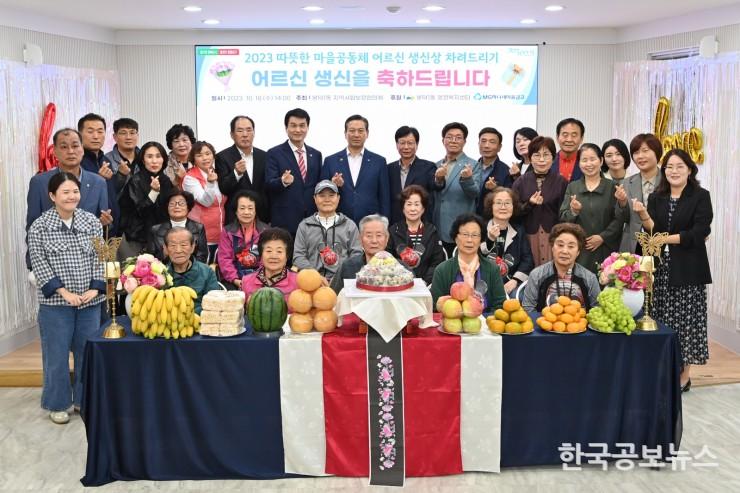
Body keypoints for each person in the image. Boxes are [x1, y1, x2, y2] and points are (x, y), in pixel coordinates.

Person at [27, 172, 106, 424]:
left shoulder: (91, 222)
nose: (72, 196)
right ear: (52, 196)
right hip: (56, 305)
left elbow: (101, 257)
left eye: (75, 191)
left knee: (86, 353)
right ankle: (58, 403)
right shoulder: (40, 226)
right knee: (56, 355)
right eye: (65, 192)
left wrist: (95, 289)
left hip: (89, 303)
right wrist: (64, 293)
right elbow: (39, 264)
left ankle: (84, 400)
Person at [632, 149, 713, 392]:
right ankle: (662, 370)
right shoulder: (657, 197)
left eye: (679, 166)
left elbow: (700, 232)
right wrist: (643, 214)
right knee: (661, 319)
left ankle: (684, 375)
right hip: (660, 268)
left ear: (690, 169)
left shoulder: (700, 196)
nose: (674, 171)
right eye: (669, 167)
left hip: (688, 269)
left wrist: (666, 239)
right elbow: (652, 230)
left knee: (685, 323)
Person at [26, 128, 110, 270]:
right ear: (55, 151)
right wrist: (34, 265)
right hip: (52, 263)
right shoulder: (39, 183)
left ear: (82, 149)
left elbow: (103, 227)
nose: (71, 151)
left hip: (89, 263)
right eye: (64, 147)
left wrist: (105, 222)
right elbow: (32, 226)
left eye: (75, 146)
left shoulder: (98, 182)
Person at [559, 144, 624, 273]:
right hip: (580, 250)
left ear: (601, 161)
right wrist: (574, 211)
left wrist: (602, 237)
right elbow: (563, 217)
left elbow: (620, 218)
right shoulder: (573, 187)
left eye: (593, 159)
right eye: (584, 160)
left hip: (607, 248)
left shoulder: (612, 186)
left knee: (606, 281)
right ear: (579, 164)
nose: (589, 164)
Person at [320, 114, 390, 223]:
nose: (356, 135)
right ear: (345, 133)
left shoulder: (379, 161)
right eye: (352, 131)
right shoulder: (330, 161)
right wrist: (332, 184)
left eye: (360, 131)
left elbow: (384, 198)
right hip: (338, 223)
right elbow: (321, 194)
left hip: (371, 224)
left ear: (367, 133)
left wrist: (385, 224)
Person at [430, 213, 506, 312]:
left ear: (481, 240)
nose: (469, 240)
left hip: (487, 320)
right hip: (452, 320)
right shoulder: (442, 270)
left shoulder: (492, 269)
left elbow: (500, 305)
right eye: (465, 234)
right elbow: (435, 307)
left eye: (475, 235)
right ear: (456, 238)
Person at [265, 108, 323, 236]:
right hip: (285, 221)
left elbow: (319, 185)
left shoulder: (316, 154)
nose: (298, 130)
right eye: (293, 125)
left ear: (307, 127)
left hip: (312, 221)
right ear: (286, 128)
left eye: (302, 125)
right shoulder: (274, 153)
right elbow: (268, 184)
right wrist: (283, 181)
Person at [512, 136, 568, 266]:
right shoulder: (520, 181)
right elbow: (513, 211)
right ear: (530, 158)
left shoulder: (561, 182)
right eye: (537, 155)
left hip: (554, 235)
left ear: (553, 158)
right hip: (528, 235)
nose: (541, 160)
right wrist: (529, 204)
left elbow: (564, 213)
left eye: (546, 155)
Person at [293, 180, 362, 283]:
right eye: (322, 196)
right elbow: (298, 257)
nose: (327, 200)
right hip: (312, 281)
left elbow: (357, 255)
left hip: (342, 282)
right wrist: (315, 276)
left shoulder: (349, 225)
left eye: (331, 195)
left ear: (338, 198)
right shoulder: (304, 226)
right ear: (315, 199)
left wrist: (340, 276)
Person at [521, 223, 601, 312]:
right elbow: (528, 308)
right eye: (560, 245)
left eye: (571, 246)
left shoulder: (589, 278)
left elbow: (597, 309)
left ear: (578, 252)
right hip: (545, 320)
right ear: (552, 247)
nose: (565, 251)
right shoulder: (537, 275)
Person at [118, 142, 174, 258]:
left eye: (158, 156)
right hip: (138, 239)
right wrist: (154, 192)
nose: (154, 161)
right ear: (143, 160)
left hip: (162, 236)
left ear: (164, 159)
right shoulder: (136, 180)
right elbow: (141, 211)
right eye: (149, 157)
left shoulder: (166, 180)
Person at [433, 122, 481, 256]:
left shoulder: (473, 165)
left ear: (464, 141)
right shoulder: (436, 165)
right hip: (437, 226)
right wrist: (438, 179)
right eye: (449, 137)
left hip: (461, 226)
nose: (453, 140)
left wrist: (467, 179)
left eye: (458, 137)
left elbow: (475, 193)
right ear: (443, 141)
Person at [387, 185, 445, 285]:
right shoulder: (393, 231)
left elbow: (437, 262)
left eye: (417, 204)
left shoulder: (432, 231)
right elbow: (388, 260)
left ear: (423, 208)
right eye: (409, 204)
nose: (412, 209)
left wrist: (425, 282)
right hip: (399, 284)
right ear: (403, 208)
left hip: (426, 285)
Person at [216, 115, 269, 225]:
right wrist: (236, 173)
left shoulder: (264, 156)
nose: (245, 134)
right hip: (235, 217)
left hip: (261, 216)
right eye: (240, 131)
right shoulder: (222, 157)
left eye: (249, 130)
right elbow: (223, 188)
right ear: (232, 135)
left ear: (254, 133)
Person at [481, 187, 534, 295]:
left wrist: (515, 280)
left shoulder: (519, 231)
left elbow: (527, 260)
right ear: (491, 206)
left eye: (507, 203)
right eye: (498, 203)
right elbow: (474, 255)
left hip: (511, 284)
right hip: (483, 282)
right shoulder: (480, 228)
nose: (503, 207)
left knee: (519, 296)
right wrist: (490, 239)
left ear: (513, 207)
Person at [618, 133, 663, 253]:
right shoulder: (626, 183)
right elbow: (623, 219)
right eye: (636, 152)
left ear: (657, 152)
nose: (640, 156)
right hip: (633, 245)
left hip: (662, 243)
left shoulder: (669, 181)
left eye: (645, 151)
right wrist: (622, 203)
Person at [217, 190, 268, 289]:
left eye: (250, 208)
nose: (246, 212)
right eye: (242, 208)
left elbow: (266, 260)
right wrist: (235, 280)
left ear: (256, 210)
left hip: (260, 278)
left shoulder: (265, 231)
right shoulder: (227, 232)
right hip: (233, 279)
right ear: (236, 211)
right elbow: (225, 259)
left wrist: (256, 280)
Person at [78, 113, 120, 235]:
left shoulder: (105, 160)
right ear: (79, 134)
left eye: (100, 131)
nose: (96, 136)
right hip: (86, 232)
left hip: (110, 230)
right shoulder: (76, 162)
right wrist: (98, 179)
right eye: (90, 131)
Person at [183, 141, 225, 263]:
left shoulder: (218, 172)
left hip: (222, 233)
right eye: (199, 155)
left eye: (208, 153)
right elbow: (206, 201)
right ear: (193, 159)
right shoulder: (190, 177)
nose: (205, 158)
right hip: (202, 234)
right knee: (203, 268)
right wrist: (210, 183)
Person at [387, 126, 438, 224]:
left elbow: (436, 185)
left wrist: (439, 178)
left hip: (420, 223)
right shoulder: (388, 169)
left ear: (417, 145)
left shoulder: (428, 167)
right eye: (402, 143)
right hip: (395, 223)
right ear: (397, 145)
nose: (406, 147)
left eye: (410, 143)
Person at [164, 227, 220, 314]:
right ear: (166, 249)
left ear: (192, 247)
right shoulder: (160, 275)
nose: (178, 250)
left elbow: (213, 303)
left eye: (183, 245)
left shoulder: (206, 272)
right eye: (173, 245)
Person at [330, 214, 391, 294]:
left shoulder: (401, 268)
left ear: (387, 239)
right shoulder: (348, 267)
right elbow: (333, 295)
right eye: (369, 236)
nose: (374, 241)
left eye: (379, 235)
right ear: (360, 239)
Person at [148, 190, 208, 264]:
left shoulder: (198, 228)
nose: (177, 206)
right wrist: (164, 255)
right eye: (172, 204)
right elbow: (151, 257)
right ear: (167, 208)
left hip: (192, 269)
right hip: (164, 269)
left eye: (181, 203)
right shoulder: (155, 229)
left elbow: (202, 256)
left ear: (188, 207)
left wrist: (189, 267)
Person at [241, 228, 298, 303]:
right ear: (261, 254)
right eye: (269, 251)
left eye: (279, 251)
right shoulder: (246, 281)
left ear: (287, 256)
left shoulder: (298, 281)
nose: (273, 256)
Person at [476, 127, 514, 216]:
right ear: (478, 144)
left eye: (492, 142)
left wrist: (495, 188)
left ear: (499, 147)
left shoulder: (506, 171)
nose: (486, 145)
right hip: (469, 218)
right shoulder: (471, 167)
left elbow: (510, 198)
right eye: (483, 141)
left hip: (492, 218)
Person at [104, 117, 140, 196]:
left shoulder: (145, 158)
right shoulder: (106, 160)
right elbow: (107, 191)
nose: (128, 137)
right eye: (123, 133)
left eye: (132, 133)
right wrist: (120, 175)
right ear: (115, 137)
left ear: (137, 135)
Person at [551, 118, 585, 182]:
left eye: (574, 135)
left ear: (581, 138)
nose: (569, 140)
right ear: (557, 137)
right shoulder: (548, 161)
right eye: (565, 135)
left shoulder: (588, 164)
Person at [163, 123, 196, 189]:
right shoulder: (164, 163)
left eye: (184, 140)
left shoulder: (198, 161)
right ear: (171, 144)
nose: (181, 144)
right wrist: (177, 179)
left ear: (191, 142)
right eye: (176, 141)